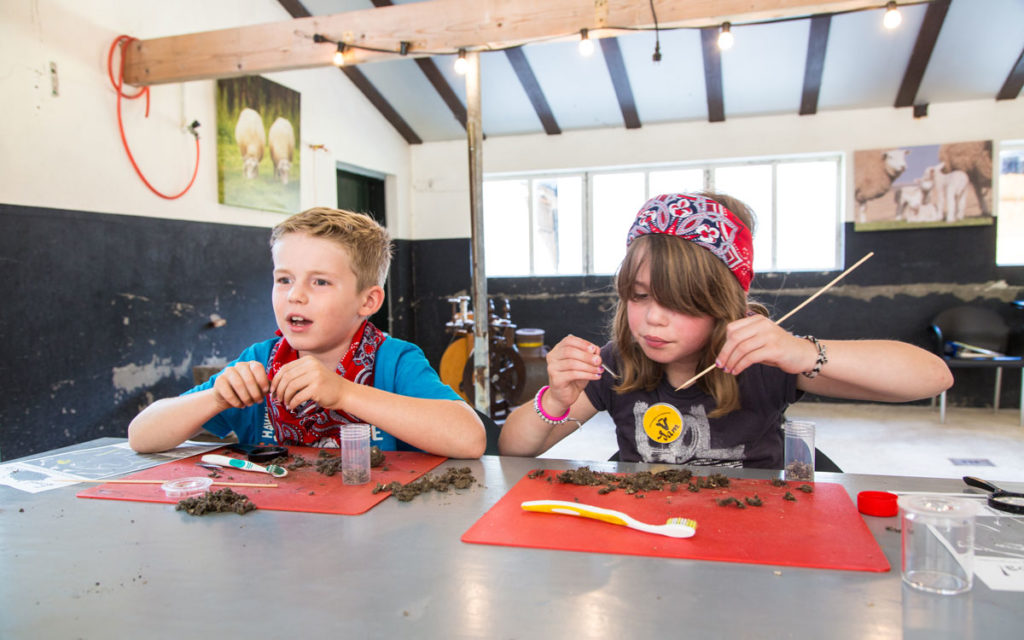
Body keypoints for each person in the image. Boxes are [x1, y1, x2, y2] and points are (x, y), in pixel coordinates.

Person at [498, 192, 953, 468]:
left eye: (678, 302)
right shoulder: (619, 365)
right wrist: (553, 400)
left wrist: (802, 353)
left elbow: (933, 377)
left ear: (721, 305)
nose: (653, 318)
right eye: (639, 296)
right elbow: (514, 450)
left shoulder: (766, 362)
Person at [128, 207, 486, 458]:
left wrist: (344, 393)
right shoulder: (260, 361)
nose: (295, 295)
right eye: (284, 279)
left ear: (368, 300)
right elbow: (141, 436)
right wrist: (216, 399)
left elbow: (470, 439)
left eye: (320, 282)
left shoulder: (395, 362)